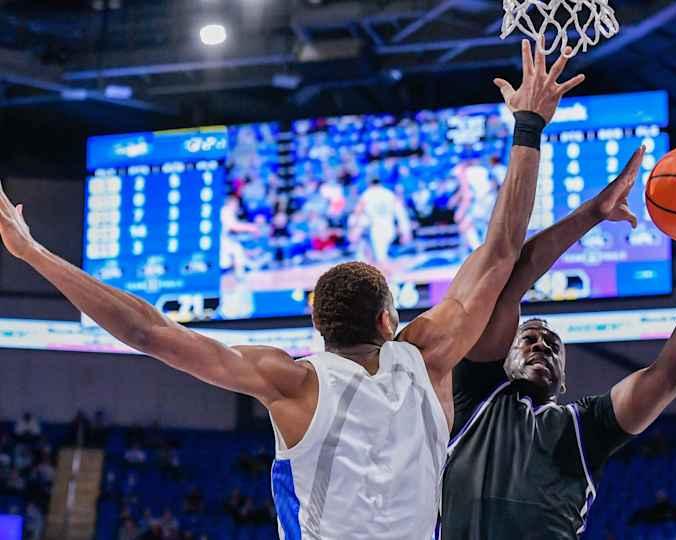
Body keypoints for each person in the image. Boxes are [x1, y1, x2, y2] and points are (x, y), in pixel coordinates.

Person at [0, 38, 583, 540]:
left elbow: (145, 330)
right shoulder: (427, 355)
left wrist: (35, 252)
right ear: (388, 321)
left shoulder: (293, 382)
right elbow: (504, 251)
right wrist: (528, 127)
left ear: (318, 326)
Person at [440, 147, 676, 538]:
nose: (542, 346)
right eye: (530, 339)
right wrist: (593, 213)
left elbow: (671, 372)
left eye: (553, 345)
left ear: (563, 381)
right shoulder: (473, 397)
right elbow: (509, 281)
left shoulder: (584, 427)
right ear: (504, 357)